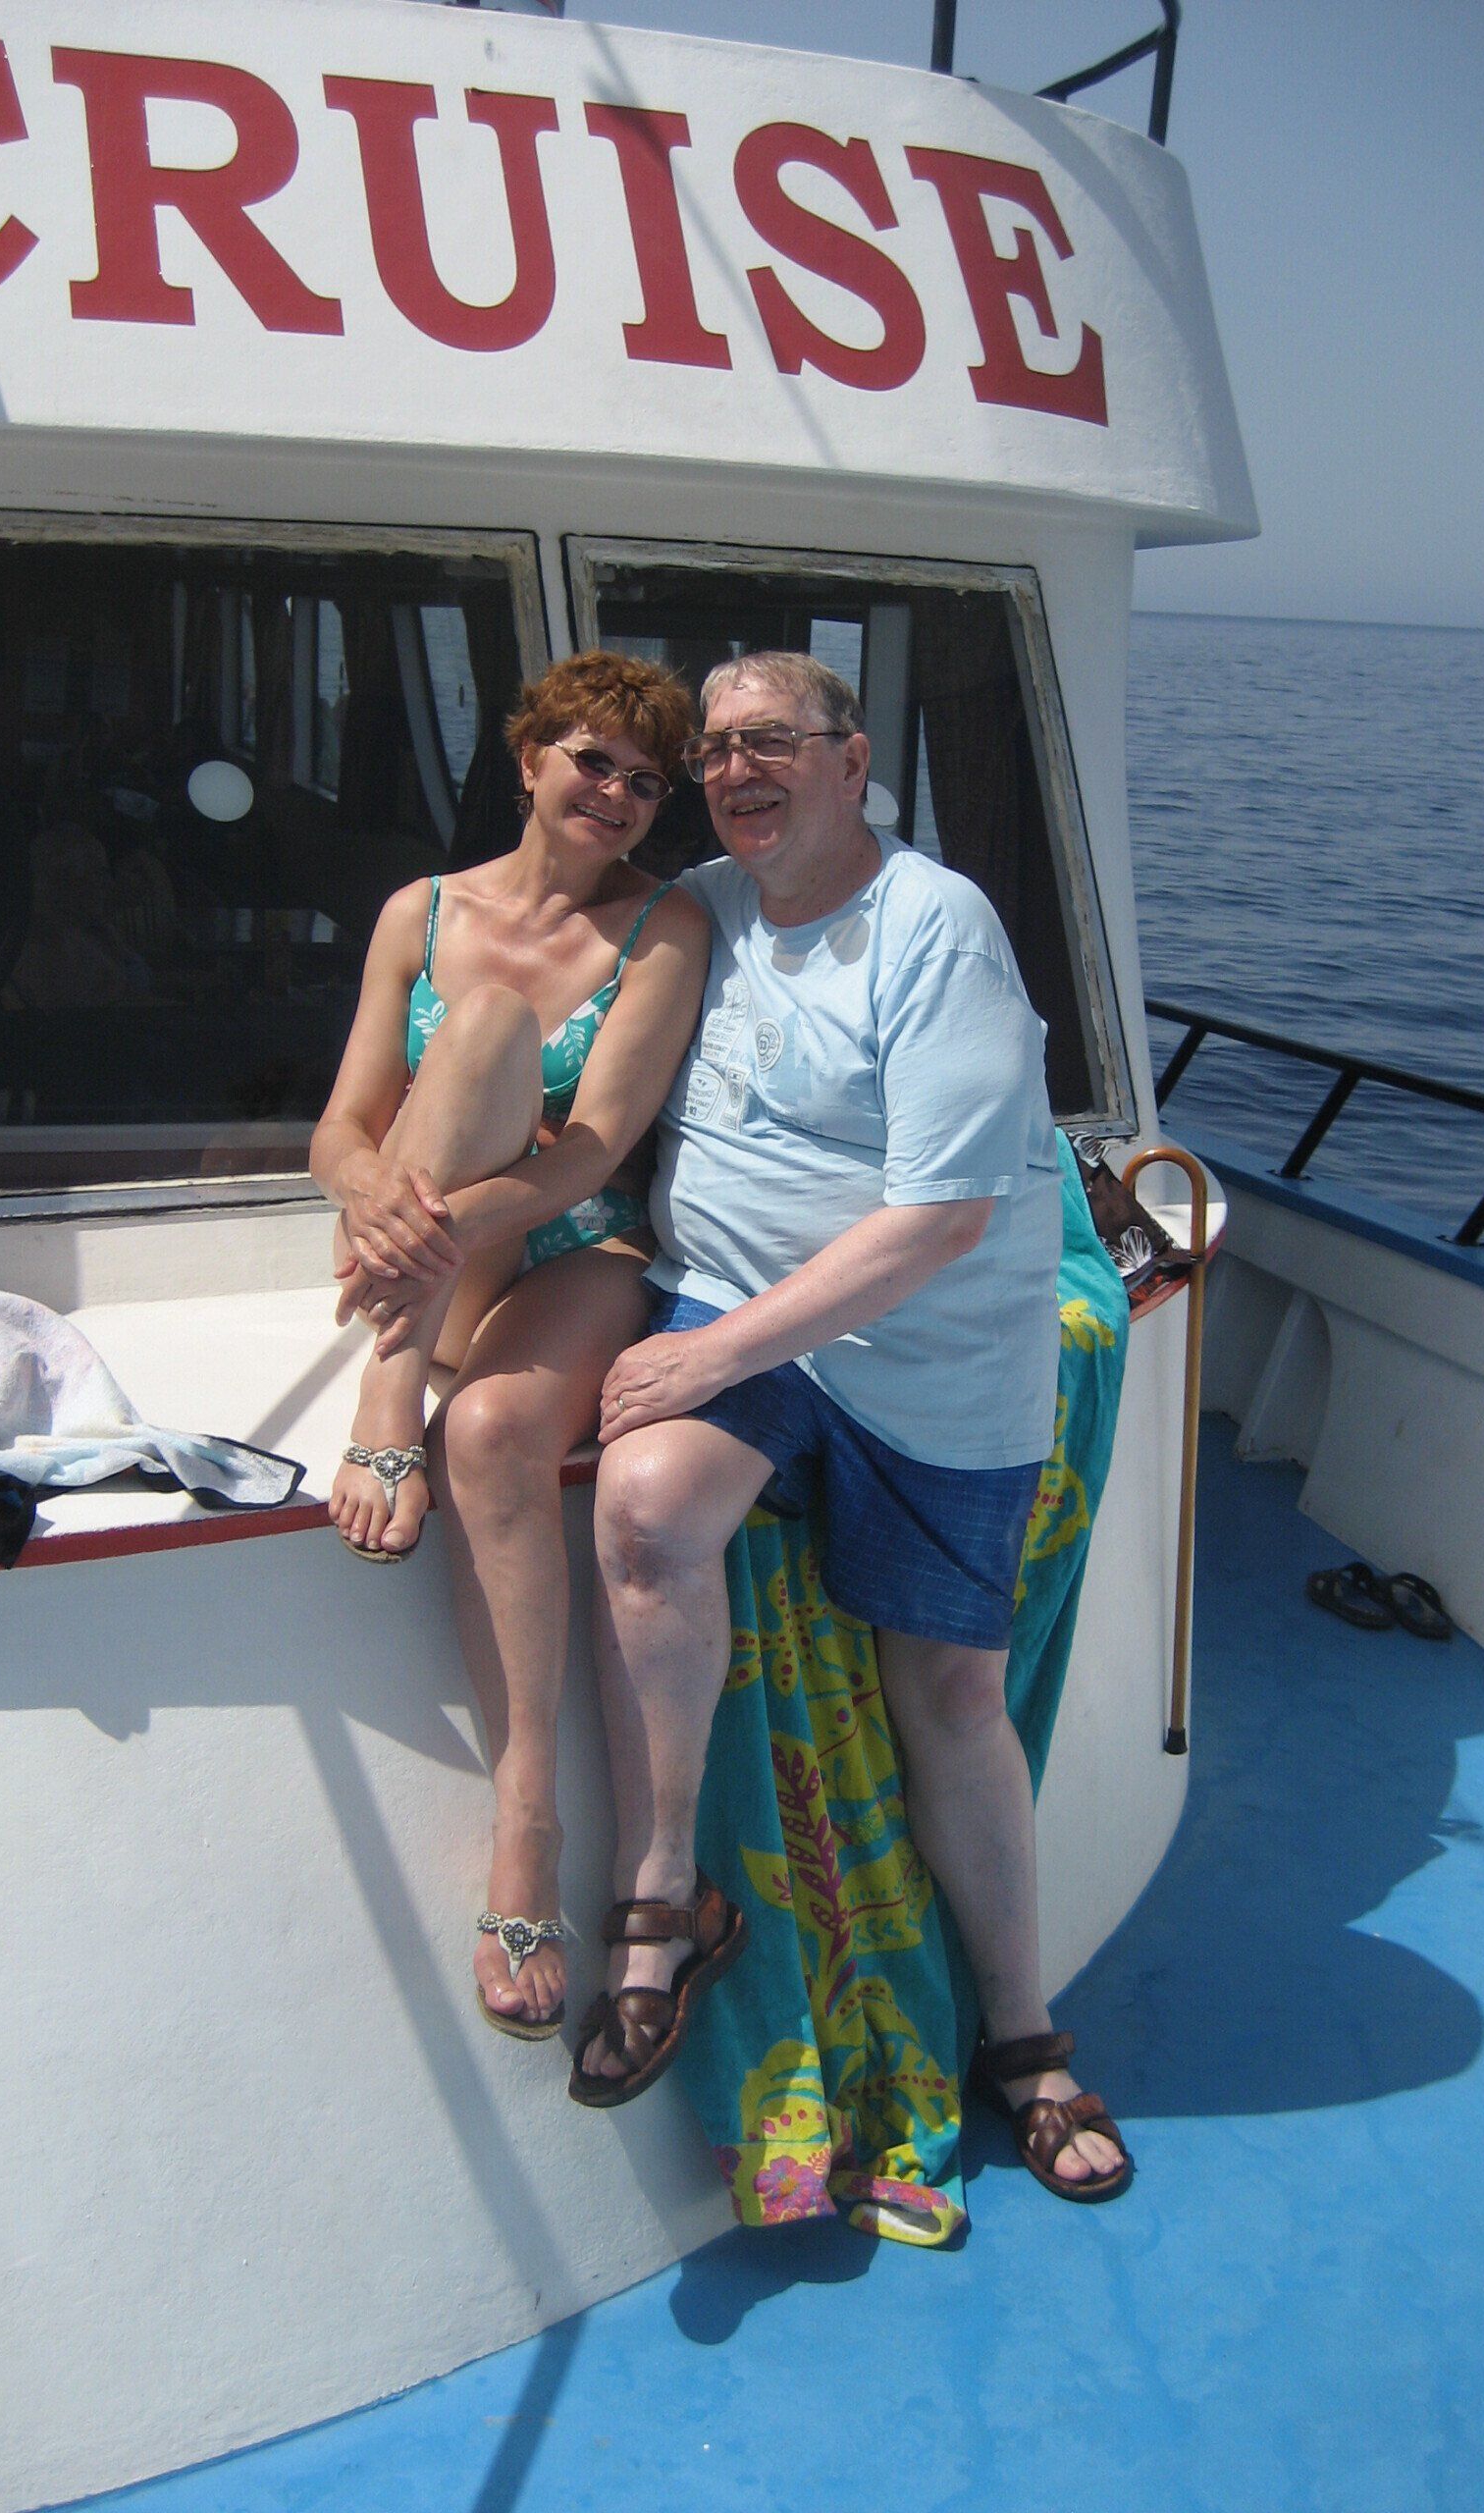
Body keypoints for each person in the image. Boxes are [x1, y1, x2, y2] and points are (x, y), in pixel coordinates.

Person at [568, 651, 1133, 2203]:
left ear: (851, 759)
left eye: (770, 745)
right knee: (644, 1512)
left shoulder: (934, 928)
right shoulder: (704, 901)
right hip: (746, 1311)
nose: (737, 773)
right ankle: (668, 1895)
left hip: (933, 1348)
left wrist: (705, 1357)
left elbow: (945, 1216)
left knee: (949, 1692)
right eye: (717, 754)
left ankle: (1022, 2036)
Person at [309, 652, 709, 2039]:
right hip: (429, 1252)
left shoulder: (663, 933)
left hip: (573, 1243)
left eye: (647, 782)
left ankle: (524, 1819)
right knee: (477, 1027)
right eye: (593, 760)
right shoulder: (420, 912)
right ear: (531, 755)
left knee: (485, 1433)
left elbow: (592, 1146)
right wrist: (376, 1198)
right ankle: (388, 1378)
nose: (616, 794)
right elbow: (342, 1128)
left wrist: (424, 1225)